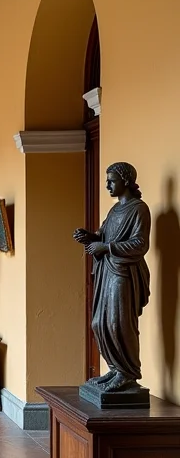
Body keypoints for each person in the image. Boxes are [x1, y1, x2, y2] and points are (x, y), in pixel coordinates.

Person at [74, 162, 151, 393]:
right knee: (99, 323)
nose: (107, 184)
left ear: (126, 181)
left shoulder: (139, 209)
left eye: (112, 180)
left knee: (119, 323)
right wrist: (88, 236)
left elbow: (140, 244)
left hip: (123, 273)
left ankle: (128, 374)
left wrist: (106, 248)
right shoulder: (114, 210)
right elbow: (102, 235)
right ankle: (115, 368)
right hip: (107, 271)